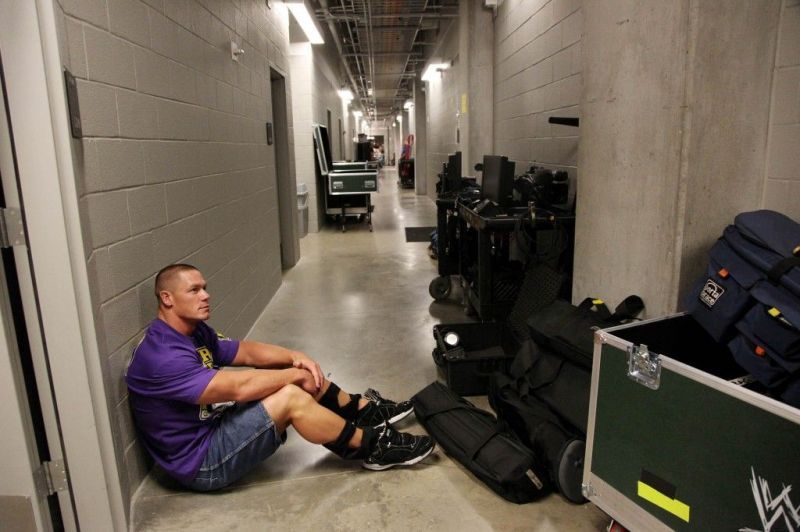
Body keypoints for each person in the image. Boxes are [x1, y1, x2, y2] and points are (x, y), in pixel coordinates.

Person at [126, 264, 434, 492]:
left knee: (293, 376)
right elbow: (238, 387)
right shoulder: (162, 356)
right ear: (167, 299)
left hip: (210, 430)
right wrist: (292, 374)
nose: (206, 295)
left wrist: (293, 355)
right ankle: (372, 447)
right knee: (290, 395)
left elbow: (245, 352)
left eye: (204, 287)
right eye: (194, 290)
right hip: (201, 464)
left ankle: (362, 412)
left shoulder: (191, 331)